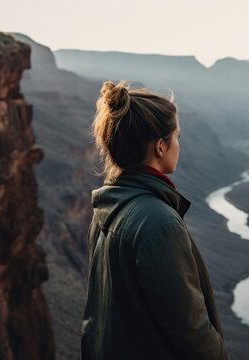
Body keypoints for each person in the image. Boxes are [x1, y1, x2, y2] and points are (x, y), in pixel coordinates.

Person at [81, 80, 229, 359]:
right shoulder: (158, 222)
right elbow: (191, 328)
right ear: (160, 147)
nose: (178, 145)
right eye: (177, 137)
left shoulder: (107, 207)